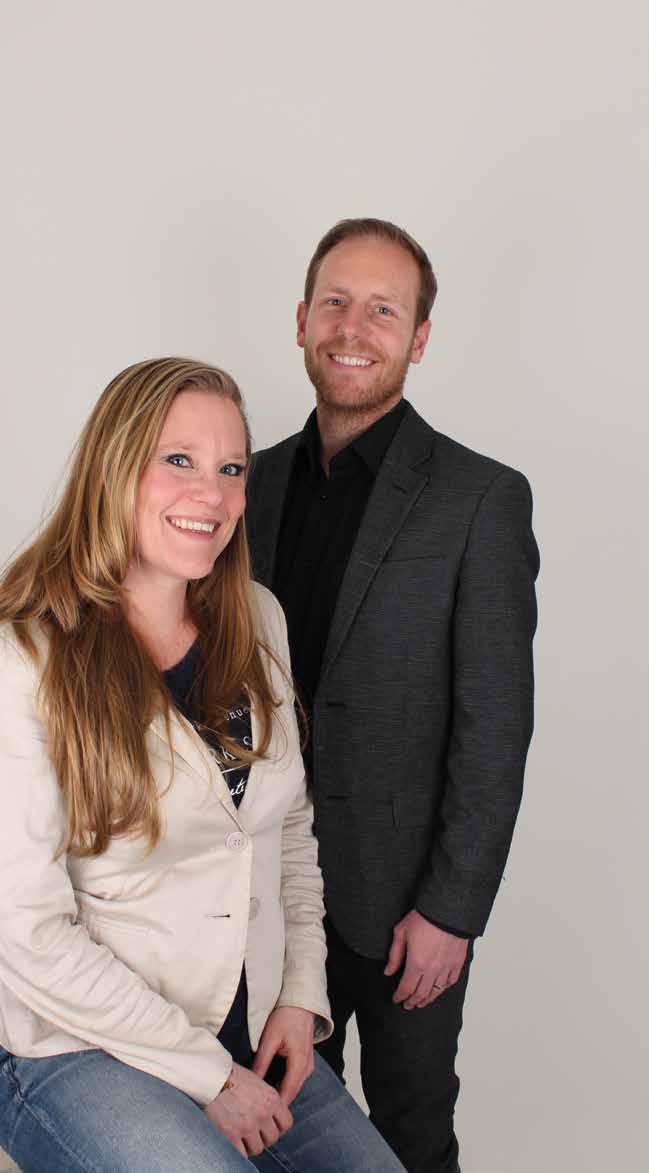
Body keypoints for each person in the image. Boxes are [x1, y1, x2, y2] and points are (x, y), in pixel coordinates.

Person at [0, 358, 403, 1173]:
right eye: (179, 460)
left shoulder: (258, 618)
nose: (211, 495)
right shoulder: (24, 657)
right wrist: (209, 1073)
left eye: (232, 470)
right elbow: (26, 933)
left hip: (247, 1028)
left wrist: (300, 996)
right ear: (115, 465)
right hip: (77, 1046)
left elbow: (288, 830)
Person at [245, 220, 539, 1172]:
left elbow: (495, 725)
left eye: (383, 309)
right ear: (301, 319)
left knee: (410, 1133)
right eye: (335, 302)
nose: (353, 327)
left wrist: (452, 909)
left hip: (406, 905)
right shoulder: (246, 483)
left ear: (418, 338)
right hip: (264, 894)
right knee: (276, 1129)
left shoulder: (480, 499)